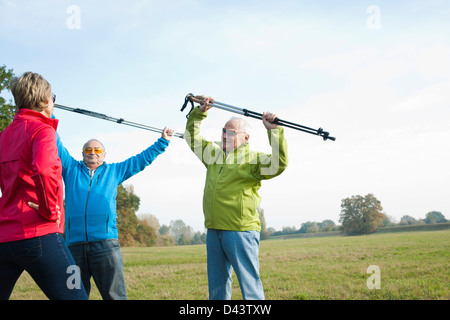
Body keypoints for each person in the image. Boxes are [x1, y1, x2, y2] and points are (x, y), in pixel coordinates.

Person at [54, 123, 174, 300]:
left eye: (96, 150)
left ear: (104, 155)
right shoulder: (71, 169)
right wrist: (47, 111)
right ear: (82, 154)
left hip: (105, 247)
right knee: (73, 296)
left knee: (115, 296)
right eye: (88, 150)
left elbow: (141, 160)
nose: (92, 153)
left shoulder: (115, 171)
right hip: (74, 248)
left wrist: (162, 142)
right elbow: (55, 143)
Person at [184, 97, 288, 300]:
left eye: (231, 132)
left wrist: (274, 131)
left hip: (240, 231)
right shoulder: (213, 155)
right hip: (214, 229)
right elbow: (191, 138)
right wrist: (200, 112)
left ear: (246, 138)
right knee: (217, 287)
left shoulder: (253, 160)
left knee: (249, 286)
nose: (224, 135)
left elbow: (278, 164)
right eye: (223, 131)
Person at [0, 72, 88, 300]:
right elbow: (45, 169)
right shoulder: (43, 130)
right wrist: (49, 210)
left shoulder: (4, 136)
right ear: (48, 100)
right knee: (76, 295)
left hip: (4, 239)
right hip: (40, 234)